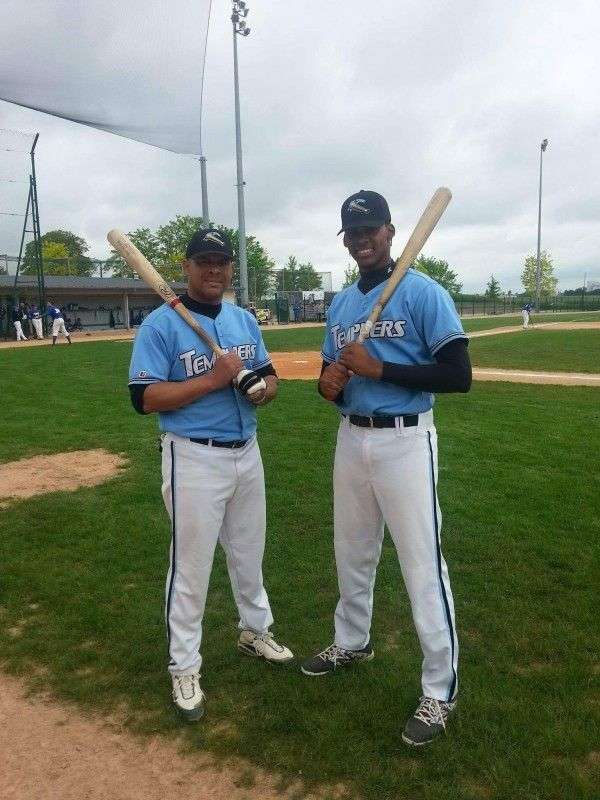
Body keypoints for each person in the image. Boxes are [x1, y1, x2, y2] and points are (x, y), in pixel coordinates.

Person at [300, 190, 472, 747]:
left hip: (405, 442)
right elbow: (333, 372)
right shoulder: (343, 305)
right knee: (351, 552)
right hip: (352, 440)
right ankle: (352, 641)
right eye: (353, 231)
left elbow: (458, 375)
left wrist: (382, 368)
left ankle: (439, 689)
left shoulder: (424, 293)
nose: (363, 239)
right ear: (345, 240)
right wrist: (328, 384)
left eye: (371, 228)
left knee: (422, 566)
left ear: (391, 231)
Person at [128, 227, 293, 722]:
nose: (214, 270)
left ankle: (254, 630)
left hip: (247, 451)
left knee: (249, 553)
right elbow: (144, 398)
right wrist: (213, 380)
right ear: (187, 267)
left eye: (221, 262)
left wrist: (262, 389)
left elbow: (269, 378)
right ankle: (184, 663)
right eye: (204, 261)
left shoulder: (244, 320)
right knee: (191, 567)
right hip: (193, 456)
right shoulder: (160, 325)